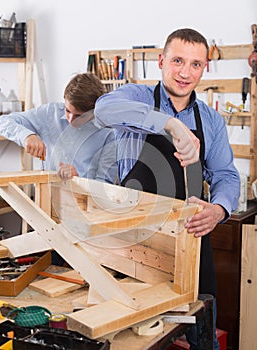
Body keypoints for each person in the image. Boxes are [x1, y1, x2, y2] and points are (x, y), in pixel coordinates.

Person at [94, 28, 240, 350]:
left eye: (196, 64)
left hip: (190, 239)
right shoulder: (136, 97)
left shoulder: (211, 120)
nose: (185, 72)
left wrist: (218, 209)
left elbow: (226, 175)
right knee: (132, 336)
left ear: (204, 68)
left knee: (202, 335)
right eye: (177, 60)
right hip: (133, 239)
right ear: (161, 61)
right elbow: (103, 110)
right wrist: (169, 124)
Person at [0, 73, 117, 184]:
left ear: (94, 111)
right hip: (47, 198)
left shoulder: (109, 133)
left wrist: (79, 178)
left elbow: (105, 185)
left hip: (83, 204)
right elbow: (0, 122)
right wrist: (26, 136)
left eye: (79, 116)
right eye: (68, 111)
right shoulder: (49, 113)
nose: (70, 119)